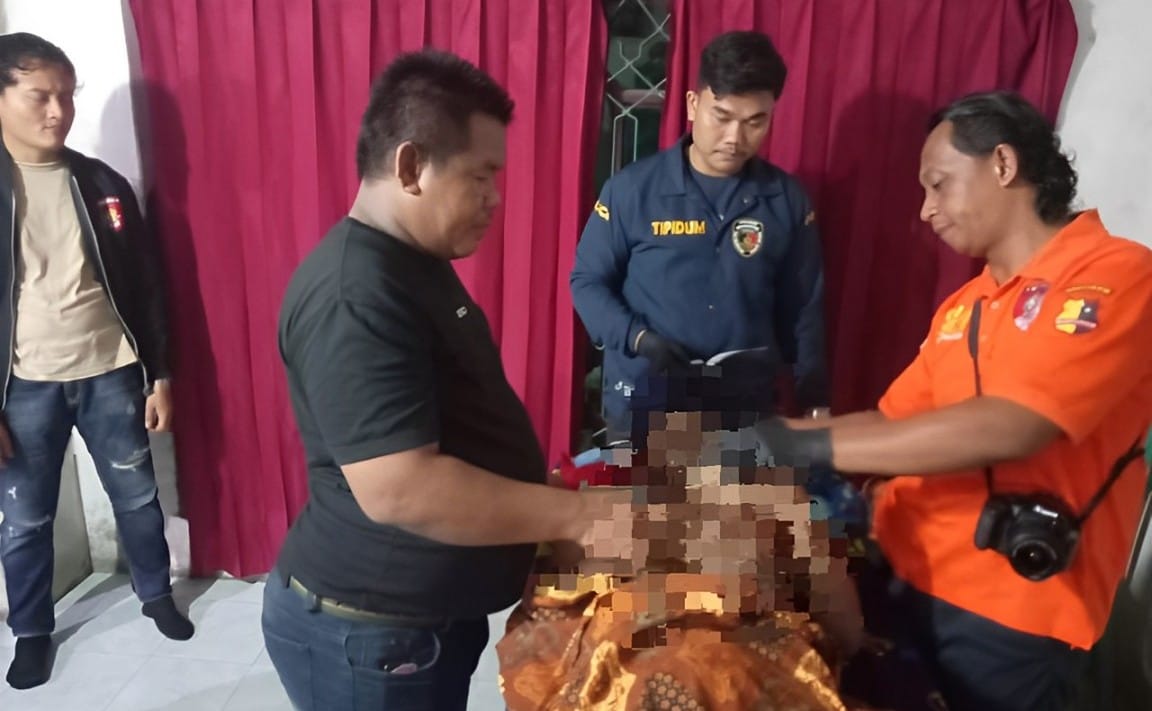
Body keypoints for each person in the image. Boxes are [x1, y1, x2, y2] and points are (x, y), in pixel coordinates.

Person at [755, 91, 1152, 711]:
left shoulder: (1116, 275)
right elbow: (890, 421)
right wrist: (760, 437)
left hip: (1007, 613)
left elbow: (1017, 424)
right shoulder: (965, 306)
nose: (926, 210)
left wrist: (800, 446)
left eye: (938, 185)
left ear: (1003, 164)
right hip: (899, 576)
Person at [263, 49, 630, 711]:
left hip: (422, 622)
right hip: (371, 636)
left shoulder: (411, 262)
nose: (495, 198)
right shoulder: (355, 293)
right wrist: (578, 516)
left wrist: (545, 496)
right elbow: (401, 487)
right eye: (480, 176)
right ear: (410, 166)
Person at [0, 33, 191, 690]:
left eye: (67, 96)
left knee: (137, 496)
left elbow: (147, 284)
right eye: (40, 96)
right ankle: (31, 631)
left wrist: (159, 373)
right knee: (25, 520)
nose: (59, 111)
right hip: (22, 386)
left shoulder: (101, 182)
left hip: (111, 370)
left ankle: (155, 594)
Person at [497, 410, 880, 711]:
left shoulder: (574, 509)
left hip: (615, 669)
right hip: (732, 670)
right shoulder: (779, 498)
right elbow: (845, 628)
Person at [570, 30, 830, 440]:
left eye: (755, 122)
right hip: (645, 402)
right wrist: (638, 337)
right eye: (722, 117)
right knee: (640, 486)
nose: (735, 138)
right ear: (693, 104)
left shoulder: (785, 200)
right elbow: (587, 282)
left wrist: (815, 402)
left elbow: (803, 309)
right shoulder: (632, 191)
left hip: (743, 410)